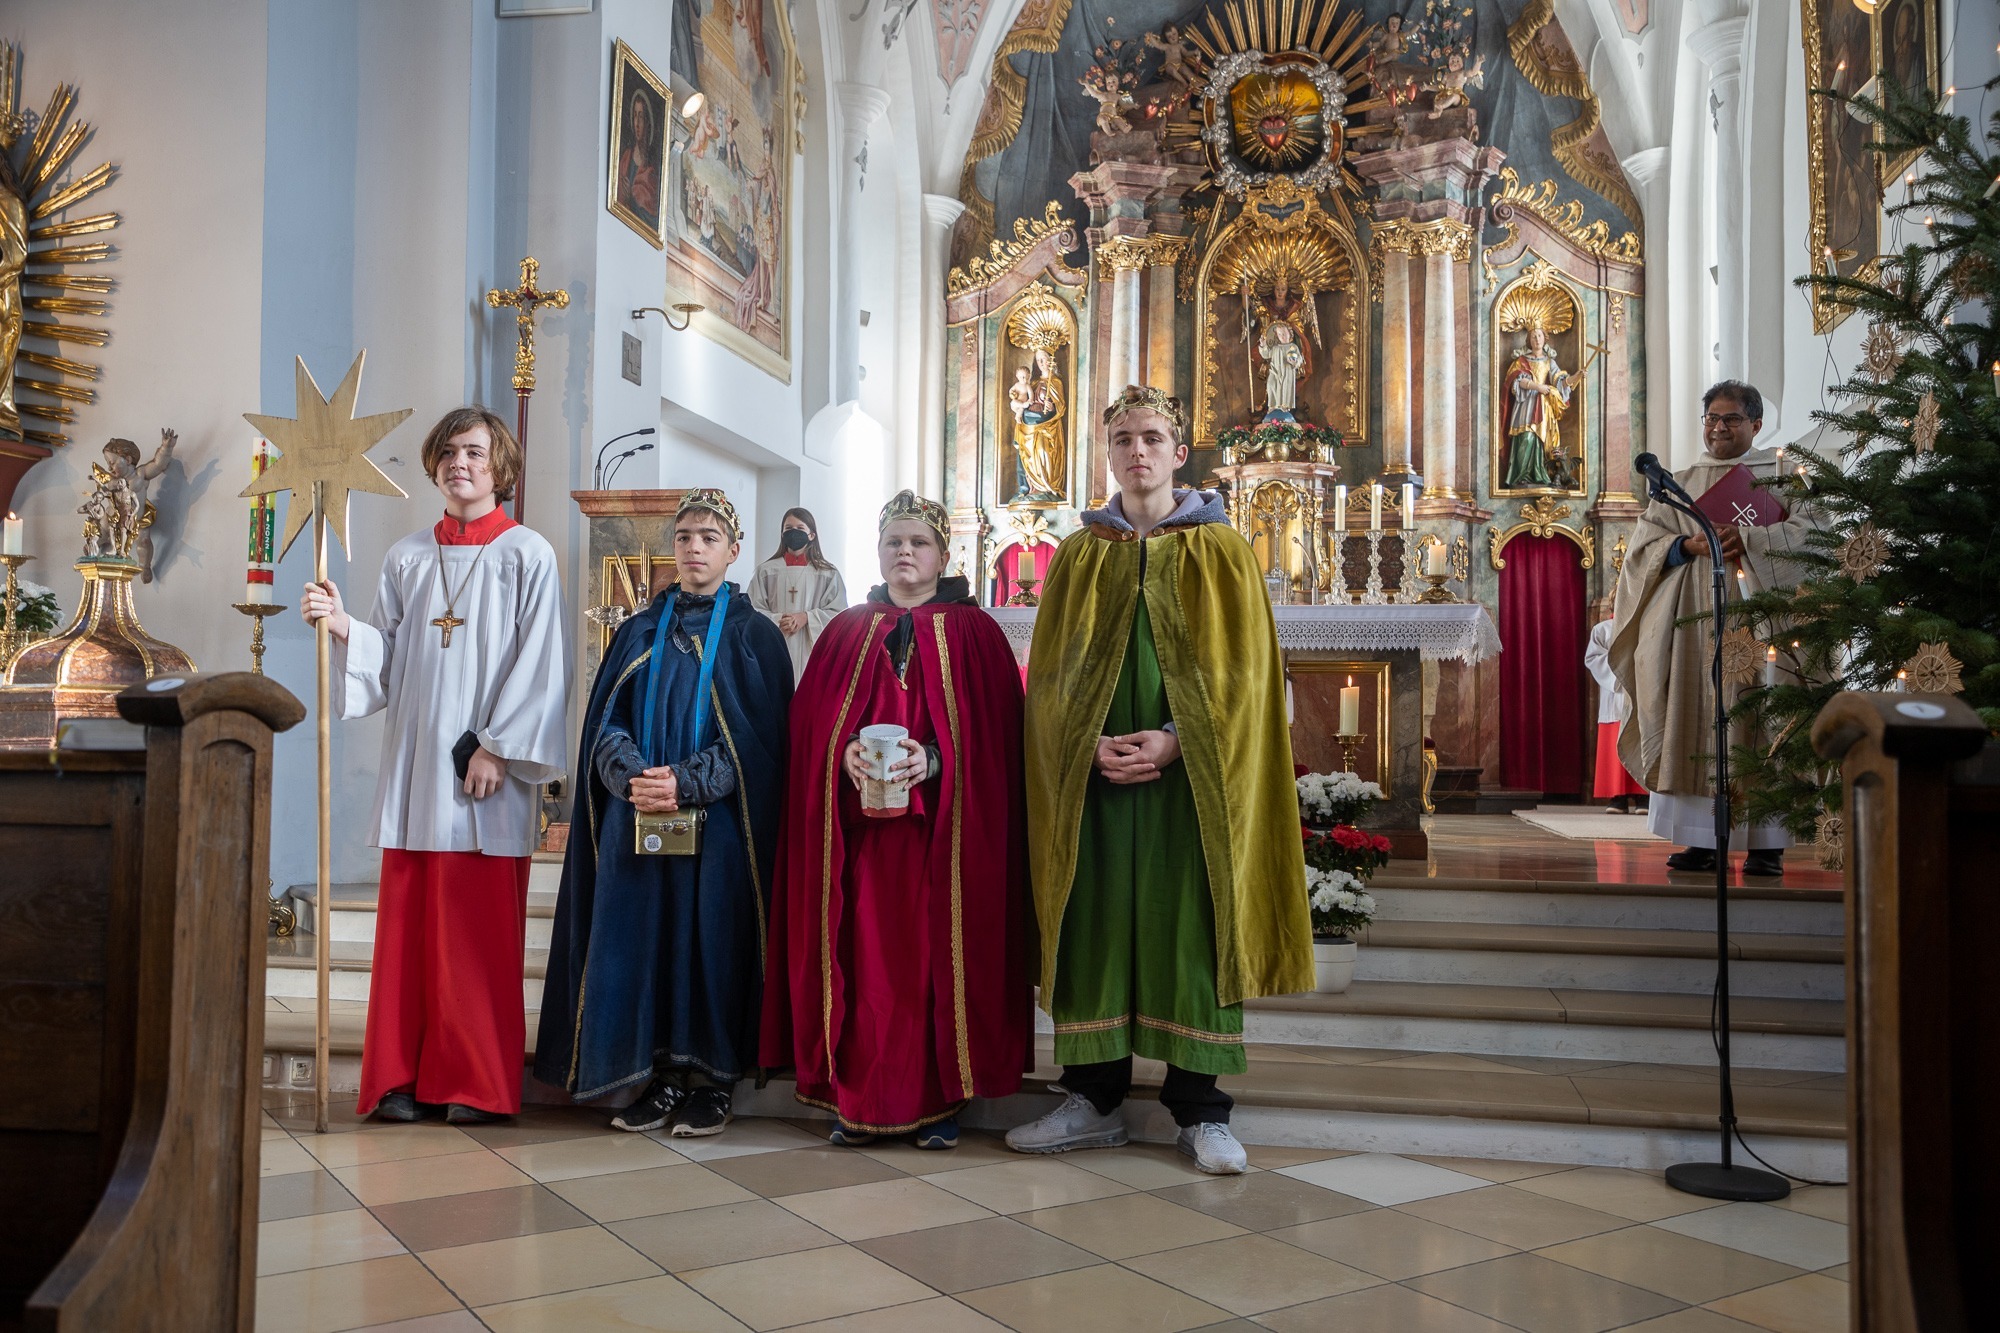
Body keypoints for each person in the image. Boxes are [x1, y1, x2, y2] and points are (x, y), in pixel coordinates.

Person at [1006, 385, 1314, 1175]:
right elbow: (1053, 679)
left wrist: (1175, 742)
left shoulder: (1221, 552)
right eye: (1122, 438)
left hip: (1189, 791)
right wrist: (1086, 743)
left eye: (1152, 437)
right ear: (1107, 453)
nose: (1136, 451)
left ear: (1180, 452)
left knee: (1192, 930)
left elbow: (1246, 680)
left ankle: (1202, 1110)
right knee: (1095, 919)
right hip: (1096, 783)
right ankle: (1093, 1098)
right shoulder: (1080, 554)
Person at [299, 406, 570, 1124]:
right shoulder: (408, 557)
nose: (461, 464)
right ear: (434, 464)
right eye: (450, 452)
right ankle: (401, 1077)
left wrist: (496, 747)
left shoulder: (527, 554)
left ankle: (474, 1081)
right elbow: (385, 660)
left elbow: (542, 664)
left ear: (500, 466)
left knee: (476, 939)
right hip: (419, 773)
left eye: (475, 453)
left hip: (483, 778)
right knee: (411, 933)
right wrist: (343, 625)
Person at [762, 490, 1030, 1148]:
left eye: (918, 542)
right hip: (858, 843)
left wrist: (937, 761)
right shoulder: (847, 630)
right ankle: (857, 1099)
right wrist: (841, 752)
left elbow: (999, 740)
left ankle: (938, 1105)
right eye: (893, 542)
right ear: (878, 554)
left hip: (941, 841)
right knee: (865, 964)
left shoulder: (977, 633)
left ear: (943, 553)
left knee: (931, 965)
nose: (905, 552)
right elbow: (808, 725)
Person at [535, 489, 792, 1134]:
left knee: (711, 944)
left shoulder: (754, 635)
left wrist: (689, 781)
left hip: (721, 826)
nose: (694, 548)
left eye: (708, 537)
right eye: (684, 538)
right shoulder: (639, 629)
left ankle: (713, 1078)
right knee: (646, 943)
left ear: (733, 551)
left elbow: (764, 741)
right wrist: (629, 776)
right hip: (639, 818)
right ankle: (662, 1076)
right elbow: (606, 724)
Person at [1609, 381, 1811, 877]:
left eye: (1731, 419)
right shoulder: (1681, 480)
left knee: (1763, 716)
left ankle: (1768, 843)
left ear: (1756, 425)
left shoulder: (1784, 476)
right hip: (1694, 628)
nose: (1719, 428)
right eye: (1712, 419)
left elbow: (1815, 534)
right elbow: (1643, 549)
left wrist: (1752, 539)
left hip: (1766, 622)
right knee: (1696, 717)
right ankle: (1702, 840)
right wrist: (1685, 548)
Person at [748, 506, 846, 682]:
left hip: (811, 652)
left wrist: (807, 617)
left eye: (800, 529)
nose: (794, 532)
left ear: (812, 535)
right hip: (773, 647)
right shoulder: (767, 571)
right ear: (782, 534)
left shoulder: (827, 573)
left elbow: (839, 613)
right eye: (788, 529)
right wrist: (778, 620)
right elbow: (751, 610)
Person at [1584, 615, 1647, 815]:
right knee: (1614, 743)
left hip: (1640, 690)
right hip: (1615, 692)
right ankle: (1617, 796)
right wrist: (1618, 673)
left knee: (1640, 742)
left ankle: (1643, 795)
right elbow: (1593, 657)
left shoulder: (1644, 623)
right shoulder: (1602, 629)